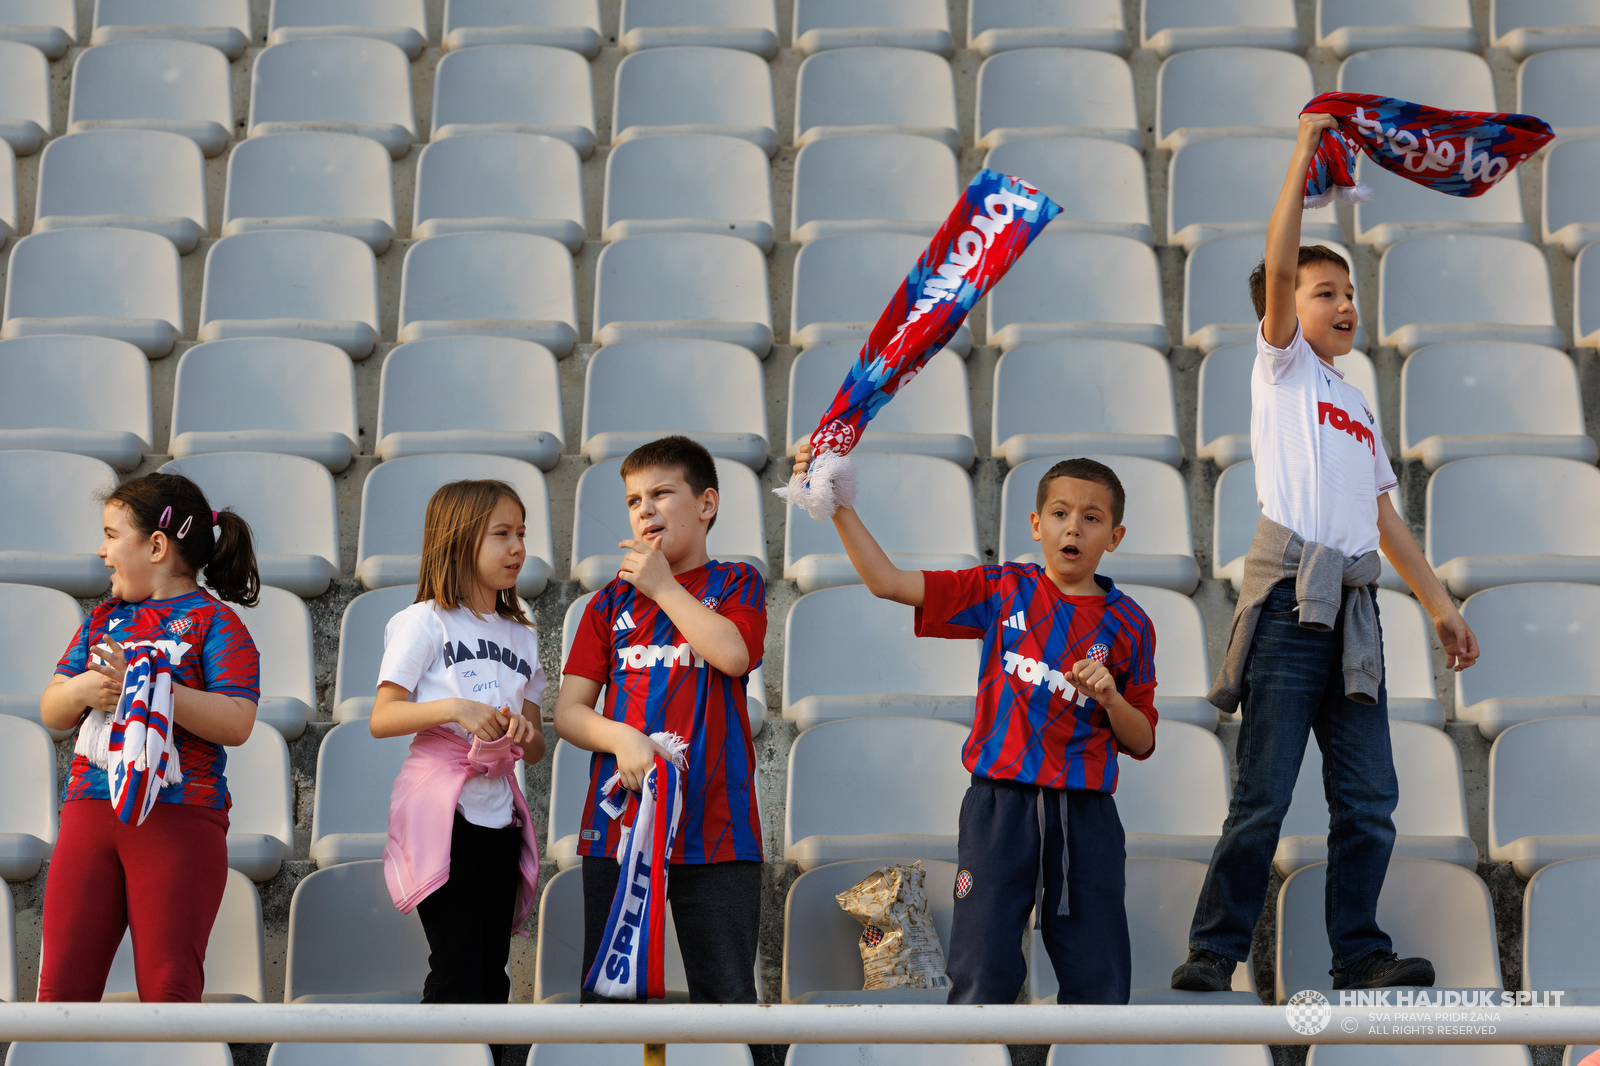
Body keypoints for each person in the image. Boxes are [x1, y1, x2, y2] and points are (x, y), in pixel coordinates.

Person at [1171, 112, 1481, 994]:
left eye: (1348, 294)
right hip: (1286, 606)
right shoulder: (1281, 372)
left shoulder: (1358, 401)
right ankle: (1216, 950)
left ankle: (1358, 953)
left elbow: (1384, 517)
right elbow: (1277, 264)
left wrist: (1439, 604)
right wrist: (1305, 156)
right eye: (1322, 293)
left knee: (1370, 803)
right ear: (1282, 307)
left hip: (1354, 611)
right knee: (1262, 799)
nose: (1344, 306)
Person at [791, 448, 1159, 1005]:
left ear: (1115, 534)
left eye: (1092, 517)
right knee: (980, 974)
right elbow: (888, 581)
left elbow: (1143, 740)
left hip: (1084, 816)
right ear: (1036, 525)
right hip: (998, 810)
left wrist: (1110, 698)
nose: (1074, 527)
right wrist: (836, 503)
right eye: (1060, 513)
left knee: (1101, 984)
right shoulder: (1003, 589)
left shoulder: (1130, 624)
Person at [555, 436, 766, 1005]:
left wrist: (663, 586)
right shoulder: (606, 605)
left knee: (728, 1002)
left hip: (719, 834)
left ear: (707, 504)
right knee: (608, 1002)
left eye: (661, 493)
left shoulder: (737, 583)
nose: (644, 509)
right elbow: (568, 712)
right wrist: (623, 737)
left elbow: (733, 655)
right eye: (632, 500)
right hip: (620, 835)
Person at [37, 473, 262, 1002]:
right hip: (89, 810)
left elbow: (237, 721)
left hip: (180, 814)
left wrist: (151, 688)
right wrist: (88, 689)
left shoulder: (215, 623)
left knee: (169, 991)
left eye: (112, 535)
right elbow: (52, 707)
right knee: (61, 990)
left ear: (157, 546)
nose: (101, 550)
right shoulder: (100, 620)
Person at [372, 479, 546, 1007]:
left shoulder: (525, 630)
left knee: (492, 976)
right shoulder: (423, 622)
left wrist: (522, 731)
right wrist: (455, 709)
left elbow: (535, 745)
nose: (517, 547)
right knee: (458, 969)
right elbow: (383, 717)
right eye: (501, 534)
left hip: (499, 815)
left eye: (521, 533)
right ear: (458, 539)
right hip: (441, 811)